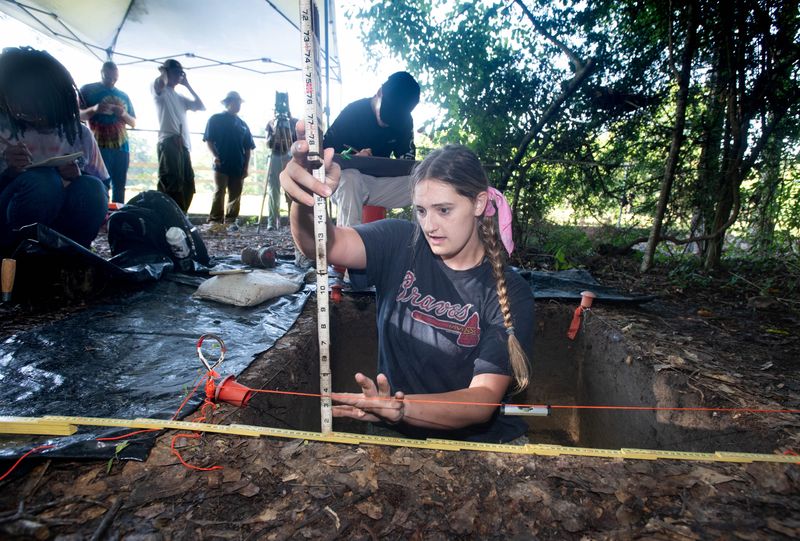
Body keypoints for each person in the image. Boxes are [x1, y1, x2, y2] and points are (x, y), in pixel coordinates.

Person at [281, 139, 534, 443]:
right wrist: (304, 200)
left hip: (479, 446)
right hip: (393, 429)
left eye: (444, 210)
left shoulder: (509, 290)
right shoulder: (399, 241)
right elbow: (321, 245)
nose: (430, 225)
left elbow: (481, 399)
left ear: (479, 204)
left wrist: (402, 408)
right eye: (422, 211)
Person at [0, 47, 109, 251]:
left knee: (92, 188)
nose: (31, 115)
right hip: (9, 224)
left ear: (60, 100)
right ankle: (16, 255)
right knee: (43, 182)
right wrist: (9, 173)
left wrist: (78, 175)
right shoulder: (3, 129)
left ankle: (73, 256)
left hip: (62, 227)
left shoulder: (79, 134)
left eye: (39, 109)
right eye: (21, 109)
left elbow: (104, 187)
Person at [322, 71, 420, 227]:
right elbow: (325, 152)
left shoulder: (405, 121)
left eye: (396, 118)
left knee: (423, 183)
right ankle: (348, 246)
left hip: (380, 185)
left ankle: (424, 243)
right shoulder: (353, 112)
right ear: (379, 92)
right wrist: (352, 158)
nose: (388, 123)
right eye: (386, 114)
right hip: (345, 184)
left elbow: (407, 160)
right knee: (351, 177)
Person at [79, 61, 136, 204]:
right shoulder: (87, 90)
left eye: (115, 79)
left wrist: (122, 113)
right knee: (100, 184)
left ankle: (118, 219)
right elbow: (78, 115)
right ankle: (100, 217)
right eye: (108, 78)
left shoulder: (123, 95)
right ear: (101, 73)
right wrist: (94, 109)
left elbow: (133, 122)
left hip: (121, 146)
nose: (111, 81)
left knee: (120, 186)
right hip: (97, 147)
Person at [152, 58, 205, 212]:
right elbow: (159, 85)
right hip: (169, 140)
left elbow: (200, 106)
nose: (178, 76)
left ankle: (181, 214)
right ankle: (166, 214)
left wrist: (187, 84)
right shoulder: (161, 91)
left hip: (184, 143)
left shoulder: (179, 97)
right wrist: (164, 73)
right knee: (171, 180)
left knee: (188, 181)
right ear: (166, 71)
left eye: (180, 73)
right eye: (175, 72)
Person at [203, 91, 255, 229]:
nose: (238, 105)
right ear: (228, 102)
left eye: (239, 102)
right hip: (221, 162)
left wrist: (246, 166)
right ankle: (215, 219)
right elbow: (208, 140)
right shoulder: (215, 119)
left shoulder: (243, 124)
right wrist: (215, 156)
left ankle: (231, 220)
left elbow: (248, 147)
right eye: (235, 102)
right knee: (220, 190)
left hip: (238, 164)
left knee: (235, 193)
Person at [264, 91, 298, 230]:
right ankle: (272, 221)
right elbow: (268, 144)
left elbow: (296, 142)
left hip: (290, 157)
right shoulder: (272, 123)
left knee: (291, 189)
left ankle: (294, 221)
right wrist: (274, 135)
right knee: (274, 191)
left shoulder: (294, 122)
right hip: (276, 156)